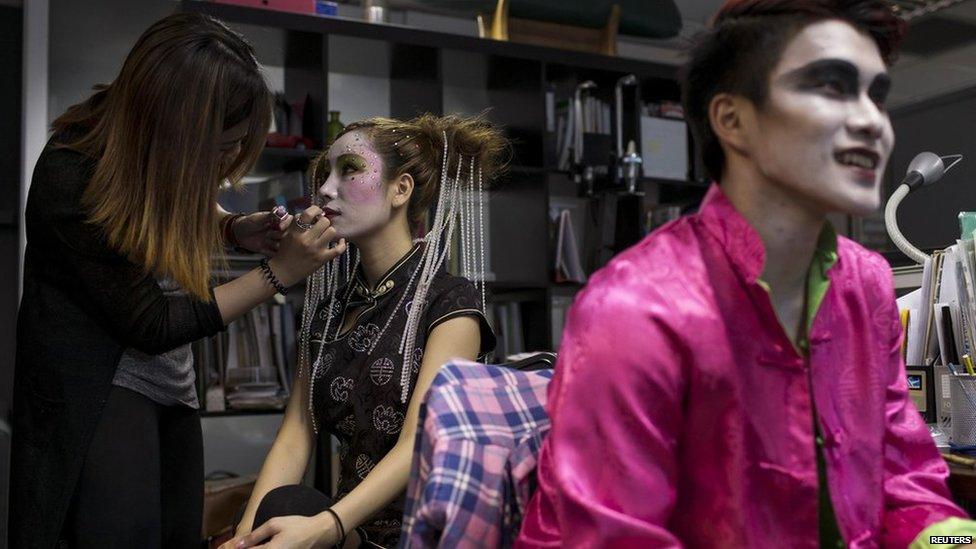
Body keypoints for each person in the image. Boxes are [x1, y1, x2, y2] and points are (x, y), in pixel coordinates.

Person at [516, 1, 976, 547]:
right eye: (831, 87)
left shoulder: (866, 281)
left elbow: (906, 479)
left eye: (876, 95)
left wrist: (955, 540)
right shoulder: (636, 306)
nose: (872, 121)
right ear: (732, 120)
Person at [11, 12, 346, 549]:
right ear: (173, 131)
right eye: (221, 147)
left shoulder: (146, 146)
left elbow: (165, 202)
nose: (231, 161)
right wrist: (278, 273)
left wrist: (233, 229)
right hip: (99, 390)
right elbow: (153, 322)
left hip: (170, 383)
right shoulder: (71, 176)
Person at [225, 114, 501, 548]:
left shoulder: (450, 302)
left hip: (423, 531)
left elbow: (418, 443)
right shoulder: (330, 310)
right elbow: (297, 432)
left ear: (401, 189)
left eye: (349, 170)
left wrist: (324, 526)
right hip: (350, 531)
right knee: (273, 513)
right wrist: (243, 539)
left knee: (291, 510)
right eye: (326, 174)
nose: (326, 189)